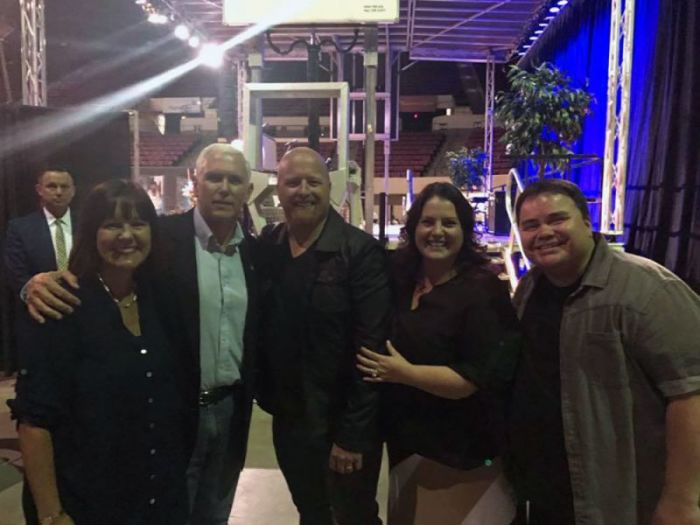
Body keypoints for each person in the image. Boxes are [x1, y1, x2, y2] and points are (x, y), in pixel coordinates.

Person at [21, 144, 259, 525]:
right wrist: (33, 284)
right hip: (150, 438)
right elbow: (35, 419)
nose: (127, 235)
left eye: (235, 180)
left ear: (249, 189)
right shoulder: (162, 238)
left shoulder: (256, 252)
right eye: (214, 177)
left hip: (218, 419)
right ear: (194, 183)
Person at [508, 179, 700, 525]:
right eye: (531, 225)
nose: (544, 232)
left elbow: (690, 394)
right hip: (549, 489)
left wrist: (682, 501)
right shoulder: (530, 289)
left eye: (557, 219)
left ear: (586, 222)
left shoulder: (648, 290)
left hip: (620, 499)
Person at [10, 179, 189, 525]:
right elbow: (34, 422)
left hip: (156, 497)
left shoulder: (160, 298)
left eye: (138, 223)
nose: (127, 235)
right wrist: (52, 515)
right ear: (91, 232)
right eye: (112, 225)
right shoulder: (62, 303)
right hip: (89, 501)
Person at [356, 182, 521, 524]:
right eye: (428, 222)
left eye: (449, 223)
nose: (437, 232)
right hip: (406, 440)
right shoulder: (401, 279)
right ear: (413, 227)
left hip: (462, 450)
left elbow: (474, 378)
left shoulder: (482, 289)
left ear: (465, 229)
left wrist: (402, 373)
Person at [256, 146, 391, 525]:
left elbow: (372, 349)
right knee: (312, 513)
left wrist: (352, 435)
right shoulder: (270, 246)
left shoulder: (360, 253)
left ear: (328, 186)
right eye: (292, 182)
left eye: (313, 182)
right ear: (277, 190)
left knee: (352, 516)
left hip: (340, 424)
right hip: (291, 421)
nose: (303, 191)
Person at [4, 169, 76, 296]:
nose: (59, 192)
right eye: (52, 186)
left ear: (73, 191)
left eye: (64, 187)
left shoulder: (87, 225)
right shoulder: (20, 228)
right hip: (40, 306)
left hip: (87, 305)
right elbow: (16, 275)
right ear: (39, 190)